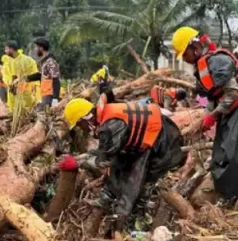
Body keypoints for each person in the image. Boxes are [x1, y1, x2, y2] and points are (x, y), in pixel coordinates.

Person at [172, 26, 238, 205]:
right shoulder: (203, 65)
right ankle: (228, 194)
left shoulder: (217, 61)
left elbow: (232, 94)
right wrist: (204, 119)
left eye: (185, 54)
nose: (185, 59)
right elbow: (215, 95)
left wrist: (212, 116)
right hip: (233, 107)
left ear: (194, 47)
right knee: (221, 151)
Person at [59, 93, 185, 233]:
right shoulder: (105, 117)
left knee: (141, 184)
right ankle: (107, 198)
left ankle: (136, 224)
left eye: (79, 124)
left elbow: (103, 160)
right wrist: (78, 158)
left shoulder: (110, 126)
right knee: (119, 164)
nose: (81, 128)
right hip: (145, 141)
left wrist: (76, 164)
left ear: (85, 118)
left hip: (163, 143)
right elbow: (104, 152)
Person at [23, 37, 61, 111]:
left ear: (41, 48)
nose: (35, 49)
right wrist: (25, 78)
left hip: (50, 95)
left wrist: (55, 98)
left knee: (42, 115)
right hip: (45, 94)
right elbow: (41, 75)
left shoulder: (51, 62)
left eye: (36, 47)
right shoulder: (44, 61)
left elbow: (56, 79)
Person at [6, 41, 40, 110]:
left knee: (26, 112)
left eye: (6, 49)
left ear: (12, 49)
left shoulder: (28, 61)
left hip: (26, 94)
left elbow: (35, 76)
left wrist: (21, 80)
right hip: (13, 93)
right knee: (13, 112)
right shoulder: (7, 62)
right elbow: (6, 75)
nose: (5, 51)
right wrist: (10, 82)